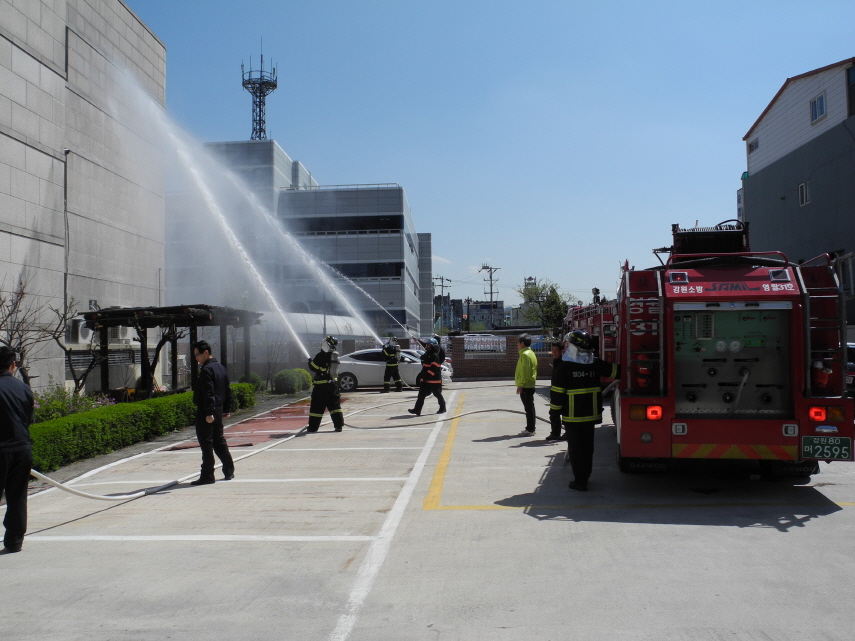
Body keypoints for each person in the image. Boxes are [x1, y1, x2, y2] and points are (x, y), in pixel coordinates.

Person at [557, 330, 619, 491]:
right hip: (591, 416)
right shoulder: (596, 364)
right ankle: (585, 476)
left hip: (573, 417)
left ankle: (580, 481)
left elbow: (557, 394)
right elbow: (617, 371)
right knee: (587, 448)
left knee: (576, 450)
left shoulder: (564, 367)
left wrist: (554, 415)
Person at [0, 346, 34, 553]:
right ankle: (14, 541)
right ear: (13, 365)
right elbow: (28, 419)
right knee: (17, 497)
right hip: (21, 448)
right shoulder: (23, 388)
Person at [190, 340, 235, 485]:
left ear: (206, 353)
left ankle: (207, 475)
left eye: (197, 354)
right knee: (218, 440)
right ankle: (229, 469)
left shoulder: (207, 370)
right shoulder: (221, 368)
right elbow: (227, 390)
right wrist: (226, 409)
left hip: (207, 411)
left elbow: (208, 393)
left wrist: (209, 413)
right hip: (218, 409)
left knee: (206, 443)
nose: (196, 358)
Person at [307, 335, 344, 432]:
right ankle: (339, 426)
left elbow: (314, 367)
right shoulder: (334, 355)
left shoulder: (321, 355)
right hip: (332, 385)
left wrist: (310, 362)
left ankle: (313, 427)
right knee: (335, 406)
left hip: (321, 386)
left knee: (317, 407)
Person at [408, 338, 446, 416]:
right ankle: (417, 410)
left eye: (428, 344)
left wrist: (427, 377)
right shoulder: (428, 354)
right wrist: (423, 377)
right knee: (421, 395)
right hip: (426, 379)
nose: (426, 346)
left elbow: (434, 369)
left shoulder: (434, 355)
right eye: (427, 344)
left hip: (434, 380)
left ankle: (443, 407)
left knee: (437, 394)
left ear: (433, 346)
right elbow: (425, 367)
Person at [515, 333, 538, 436]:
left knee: (528, 409)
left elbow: (525, 372)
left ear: (522, 344)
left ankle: (530, 429)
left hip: (526, 386)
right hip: (530, 384)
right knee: (530, 408)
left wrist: (521, 385)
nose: (517, 344)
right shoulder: (531, 353)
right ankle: (531, 428)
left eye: (518, 343)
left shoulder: (525, 355)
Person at [546, 341, 566, 442]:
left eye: (556, 351)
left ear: (562, 351)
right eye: (553, 350)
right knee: (553, 414)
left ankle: (567, 433)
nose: (554, 353)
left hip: (563, 395)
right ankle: (555, 433)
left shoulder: (564, 363)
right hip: (555, 394)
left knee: (566, 414)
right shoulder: (556, 362)